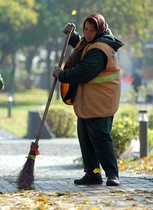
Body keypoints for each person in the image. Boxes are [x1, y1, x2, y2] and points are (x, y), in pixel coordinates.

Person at [53, 13, 124, 186]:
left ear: (99, 30)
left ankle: (112, 174)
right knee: (86, 138)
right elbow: (82, 46)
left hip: (100, 101)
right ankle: (93, 173)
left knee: (100, 137)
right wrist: (73, 36)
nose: (88, 33)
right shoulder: (93, 41)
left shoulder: (100, 49)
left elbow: (83, 72)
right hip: (89, 100)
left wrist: (62, 75)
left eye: (92, 30)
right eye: (85, 29)